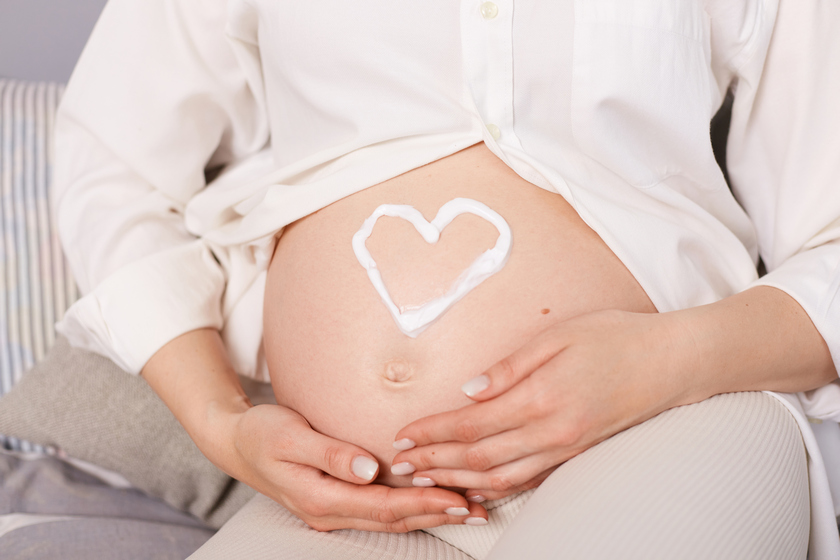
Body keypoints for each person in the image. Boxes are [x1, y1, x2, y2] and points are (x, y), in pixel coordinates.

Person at [52, 0, 840, 558]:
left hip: (662, 430)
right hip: (350, 498)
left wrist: (663, 362)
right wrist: (222, 424)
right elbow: (111, 168)